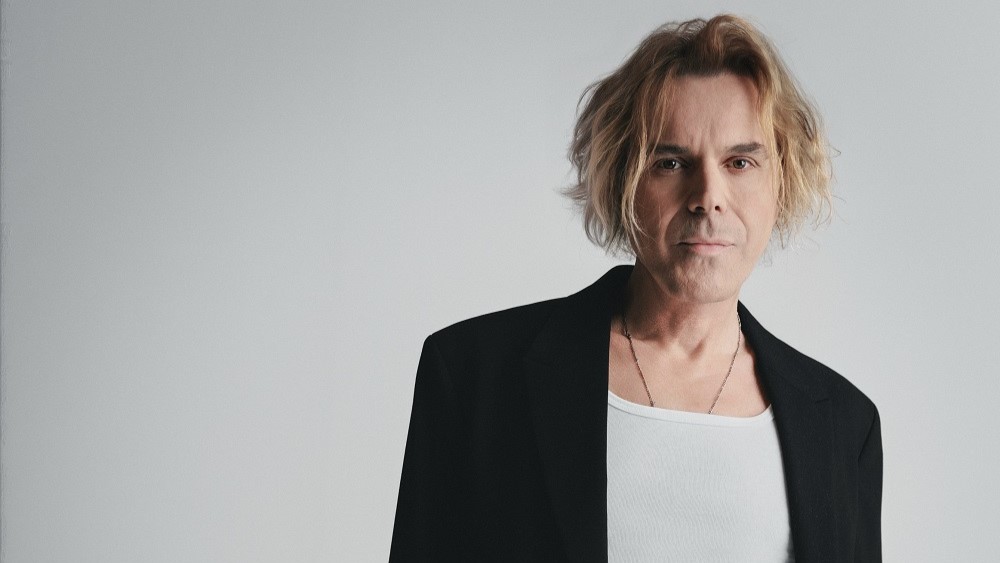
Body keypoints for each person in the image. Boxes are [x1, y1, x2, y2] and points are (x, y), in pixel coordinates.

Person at [390, 14, 881, 563]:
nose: (708, 197)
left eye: (740, 162)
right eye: (670, 162)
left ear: (781, 181)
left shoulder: (844, 425)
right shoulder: (475, 377)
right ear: (623, 176)